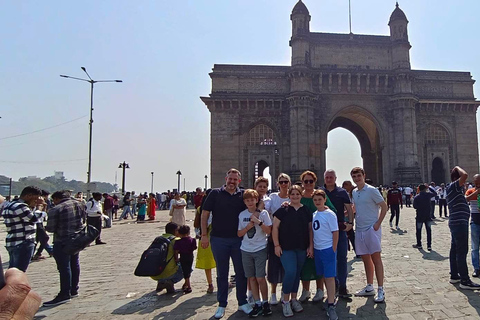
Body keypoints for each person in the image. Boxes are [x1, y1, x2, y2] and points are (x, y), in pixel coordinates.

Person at [201, 168, 253, 319]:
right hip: (218, 239)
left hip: (238, 240)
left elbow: (255, 204)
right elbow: (205, 215)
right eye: (230, 179)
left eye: (235, 179)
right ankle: (222, 304)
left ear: (239, 181)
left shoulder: (242, 195)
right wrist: (204, 235)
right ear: (225, 178)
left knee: (241, 272)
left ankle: (242, 302)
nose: (232, 181)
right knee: (221, 273)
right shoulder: (215, 194)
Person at [272, 185, 312, 317]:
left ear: (301, 195)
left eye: (297, 194)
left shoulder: (305, 210)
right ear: (289, 195)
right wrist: (277, 245)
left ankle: (294, 299)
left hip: (301, 246)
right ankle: (285, 300)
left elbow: (310, 229)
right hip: (286, 247)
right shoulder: (283, 209)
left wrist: (310, 246)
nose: (295, 196)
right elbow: (275, 228)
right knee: (290, 271)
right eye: (293, 194)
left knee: (297, 273)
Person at [350, 167, 388, 303]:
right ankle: (369, 286)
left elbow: (384, 207)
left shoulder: (372, 190)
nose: (357, 178)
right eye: (354, 176)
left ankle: (380, 289)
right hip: (359, 229)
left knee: (376, 258)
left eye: (359, 175)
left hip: (371, 229)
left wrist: (377, 224)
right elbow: (356, 208)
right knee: (366, 259)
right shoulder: (354, 192)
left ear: (364, 175)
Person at [298, 170, 336, 303]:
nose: (308, 183)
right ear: (302, 182)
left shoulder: (319, 196)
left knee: (318, 265)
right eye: (305, 181)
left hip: (320, 238)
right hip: (302, 236)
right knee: (305, 264)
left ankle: (320, 290)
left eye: (311, 181)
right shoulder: (299, 196)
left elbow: (332, 211)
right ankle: (305, 290)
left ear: (315, 182)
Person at [44, 190, 85, 306]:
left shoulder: (56, 209)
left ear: (56, 199)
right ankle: (74, 289)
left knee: (64, 267)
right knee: (74, 264)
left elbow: (50, 228)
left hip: (62, 240)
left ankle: (64, 293)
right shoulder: (80, 204)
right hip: (76, 239)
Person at [237, 189, 273, 317]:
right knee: (251, 277)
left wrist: (259, 222)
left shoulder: (263, 214)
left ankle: (265, 302)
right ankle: (257, 303)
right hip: (246, 249)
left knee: (260, 277)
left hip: (260, 248)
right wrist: (248, 227)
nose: (250, 202)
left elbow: (269, 231)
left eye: (252, 200)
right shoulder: (241, 215)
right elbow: (239, 233)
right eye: (247, 200)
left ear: (256, 200)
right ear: (244, 202)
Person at [321, 169, 354, 299]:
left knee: (341, 257)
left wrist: (351, 223)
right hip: (324, 232)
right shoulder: (320, 192)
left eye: (331, 177)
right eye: (327, 177)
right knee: (329, 259)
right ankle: (332, 286)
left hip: (339, 229)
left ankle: (342, 286)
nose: (329, 179)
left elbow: (349, 208)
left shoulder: (342, 192)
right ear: (324, 178)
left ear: (335, 178)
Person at [447, 166, 480, 289]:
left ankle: (455, 276)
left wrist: (477, 191)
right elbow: (465, 175)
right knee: (462, 251)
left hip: (456, 222)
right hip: (459, 223)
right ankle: (465, 280)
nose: (465, 182)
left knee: (455, 249)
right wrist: (456, 167)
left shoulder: (454, 190)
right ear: (457, 178)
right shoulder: (454, 186)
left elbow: (466, 199)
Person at [311, 189, 339, 320]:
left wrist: (333, 248)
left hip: (328, 249)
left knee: (329, 277)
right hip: (317, 249)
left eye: (319, 199)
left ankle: (331, 303)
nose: (317, 202)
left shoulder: (330, 214)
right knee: (322, 275)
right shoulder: (314, 214)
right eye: (315, 200)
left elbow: (335, 232)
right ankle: (327, 297)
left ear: (325, 200)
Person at [2, 186, 43, 272]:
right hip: (23, 241)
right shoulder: (20, 206)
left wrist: (33, 207)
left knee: (12, 270)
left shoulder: (10, 205)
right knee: (19, 272)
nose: (36, 201)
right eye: (35, 199)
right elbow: (35, 218)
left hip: (13, 241)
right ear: (29, 196)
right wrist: (40, 207)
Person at [264, 173, 290, 305]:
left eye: (286, 182)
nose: (284, 184)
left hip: (289, 238)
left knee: (288, 266)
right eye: (281, 182)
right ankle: (273, 293)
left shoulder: (294, 197)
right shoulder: (272, 197)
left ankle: (284, 293)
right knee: (274, 265)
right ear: (277, 184)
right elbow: (263, 208)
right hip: (274, 236)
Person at [152, 222, 184, 293]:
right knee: (188, 265)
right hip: (168, 272)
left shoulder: (158, 239)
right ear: (175, 231)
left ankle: (161, 282)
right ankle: (170, 281)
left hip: (154, 273)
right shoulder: (176, 240)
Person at [195, 189, 216, 294]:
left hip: (205, 238)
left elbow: (196, 225)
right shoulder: (217, 208)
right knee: (218, 261)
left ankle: (210, 284)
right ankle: (215, 283)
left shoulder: (200, 209)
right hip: (212, 237)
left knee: (210, 263)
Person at [173, 225, 197, 294]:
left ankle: (188, 285)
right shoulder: (192, 240)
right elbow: (194, 247)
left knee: (185, 270)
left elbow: (176, 251)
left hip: (183, 257)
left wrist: (176, 258)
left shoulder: (178, 242)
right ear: (188, 232)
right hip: (190, 256)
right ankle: (187, 284)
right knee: (188, 270)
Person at [31, 190, 53, 261]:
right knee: (45, 238)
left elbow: (43, 214)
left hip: (39, 222)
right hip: (37, 222)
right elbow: (38, 213)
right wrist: (41, 206)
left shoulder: (41, 201)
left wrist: (44, 207)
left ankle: (33, 254)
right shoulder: (39, 201)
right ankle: (38, 253)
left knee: (37, 239)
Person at [466, 174, 480, 277]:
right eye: (476, 181)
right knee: (475, 248)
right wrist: (477, 191)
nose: (478, 183)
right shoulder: (471, 191)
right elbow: (466, 199)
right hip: (475, 222)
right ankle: (476, 268)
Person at [412, 184, 433, 251]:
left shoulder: (417, 197)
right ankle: (429, 245)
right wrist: (429, 187)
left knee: (418, 231)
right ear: (425, 189)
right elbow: (435, 193)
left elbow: (414, 206)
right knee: (428, 231)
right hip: (427, 216)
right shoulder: (428, 195)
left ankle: (419, 244)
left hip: (419, 215)